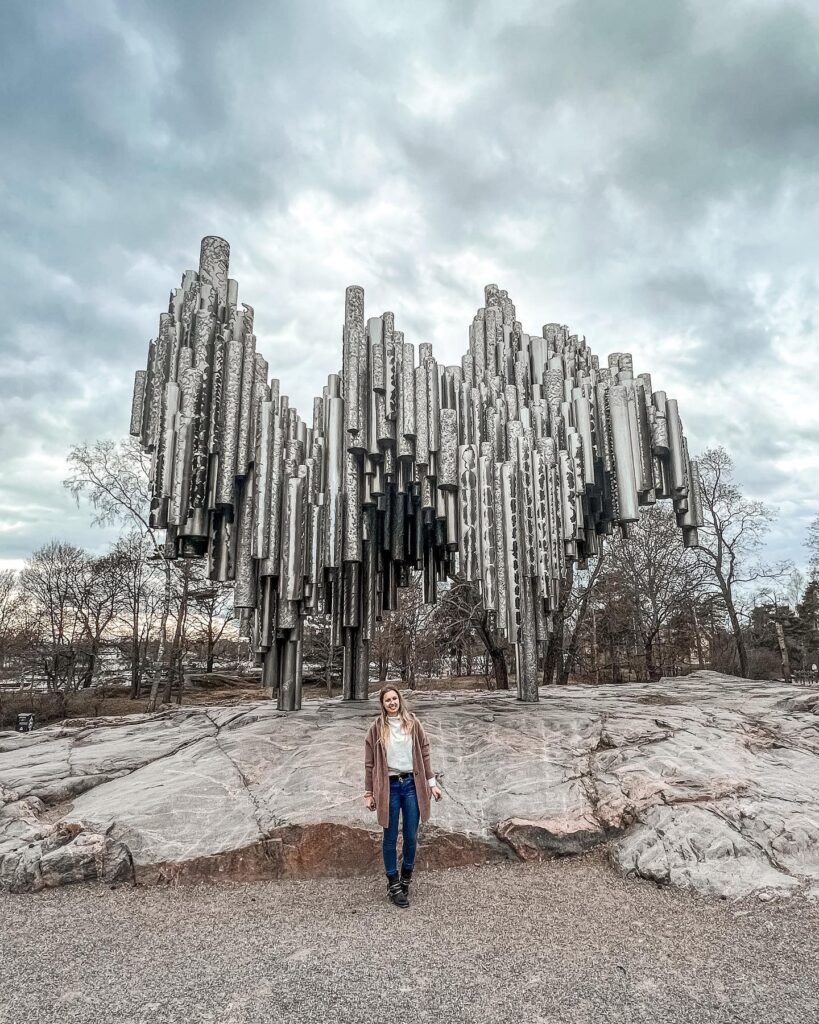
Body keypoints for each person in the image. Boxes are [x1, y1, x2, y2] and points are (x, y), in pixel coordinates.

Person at [363, 686, 442, 908]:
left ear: (400, 700)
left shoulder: (413, 723)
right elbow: (369, 764)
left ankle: (406, 877)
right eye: (387, 700)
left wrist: (432, 784)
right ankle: (393, 882)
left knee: (410, 835)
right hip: (389, 786)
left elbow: (425, 753)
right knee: (389, 836)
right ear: (382, 704)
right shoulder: (376, 729)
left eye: (394, 699)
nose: (392, 703)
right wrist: (369, 792)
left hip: (411, 785)